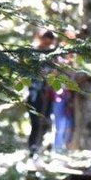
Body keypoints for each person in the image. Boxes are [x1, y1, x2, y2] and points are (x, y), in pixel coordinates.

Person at [26, 28, 58, 156]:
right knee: (35, 122)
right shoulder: (33, 53)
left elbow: (55, 71)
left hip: (47, 93)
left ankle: (39, 147)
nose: (47, 45)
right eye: (45, 43)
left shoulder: (52, 54)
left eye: (49, 44)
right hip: (34, 94)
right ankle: (32, 148)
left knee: (45, 121)